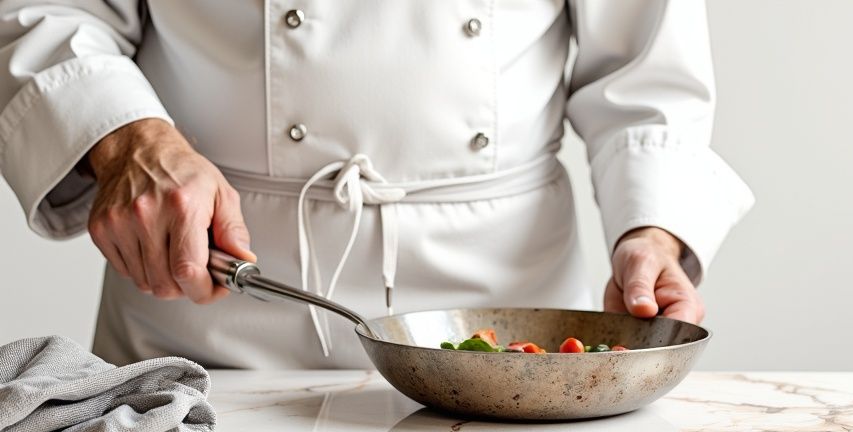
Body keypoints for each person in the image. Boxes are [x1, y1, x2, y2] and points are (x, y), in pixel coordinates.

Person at [0, 1, 753, 368]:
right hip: (209, 313)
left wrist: (653, 233)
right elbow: (46, 12)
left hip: (504, 332)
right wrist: (129, 139)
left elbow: (644, 73)